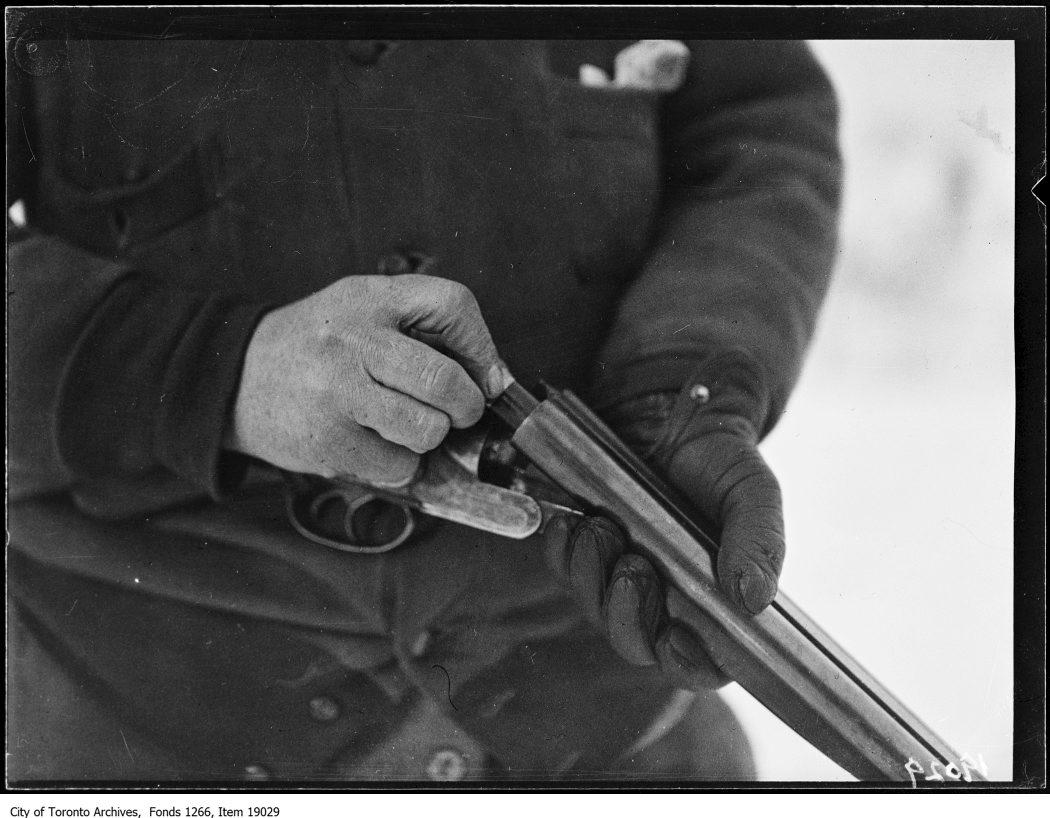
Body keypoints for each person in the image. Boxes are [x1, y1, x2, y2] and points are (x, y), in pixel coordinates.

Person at [7, 22, 842, 782]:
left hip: (609, 720)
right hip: (142, 732)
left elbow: (753, 127)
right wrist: (219, 369)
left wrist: (682, 390)